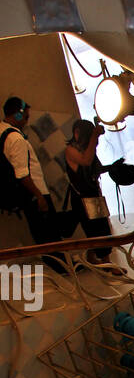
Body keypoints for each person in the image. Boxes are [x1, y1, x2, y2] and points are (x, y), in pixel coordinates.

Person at [1, 94, 71, 274]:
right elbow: (23, 174)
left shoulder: (2, 130)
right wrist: (39, 196)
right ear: (17, 115)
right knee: (49, 235)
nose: (27, 120)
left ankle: (57, 266)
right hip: (33, 191)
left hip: (24, 194)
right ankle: (61, 268)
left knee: (41, 233)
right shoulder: (16, 139)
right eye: (25, 116)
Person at [63, 118, 126, 276]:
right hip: (83, 198)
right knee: (97, 229)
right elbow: (86, 161)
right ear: (78, 134)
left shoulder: (86, 148)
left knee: (100, 227)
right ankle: (107, 263)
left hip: (93, 195)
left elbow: (95, 169)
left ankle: (93, 257)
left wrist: (113, 167)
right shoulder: (71, 150)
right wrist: (94, 138)